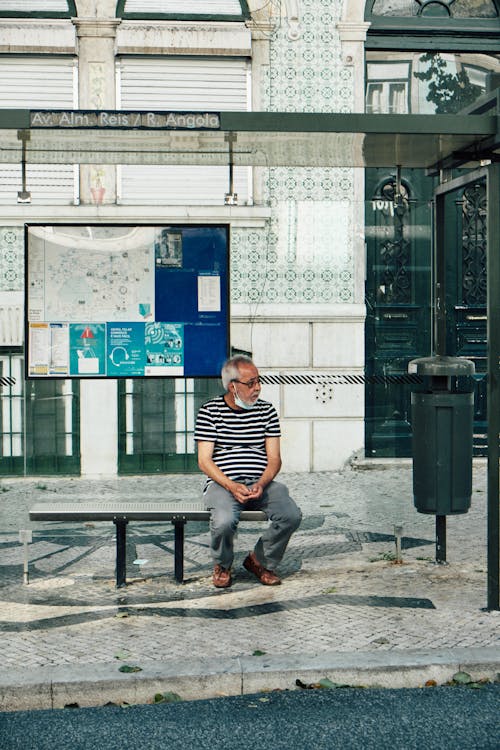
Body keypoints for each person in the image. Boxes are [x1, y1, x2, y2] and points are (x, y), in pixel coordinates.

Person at [194, 355, 302, 589]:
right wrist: (231, 485)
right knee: (223, 521)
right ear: (233, 386)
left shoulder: (267, 411)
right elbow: (204, 461)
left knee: (291, 514)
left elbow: (274, 458)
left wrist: (262, 483)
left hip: (260, 482)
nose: (258, 387)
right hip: (223, 484)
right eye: (250, 383)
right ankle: (222, 565)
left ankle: (259, 561)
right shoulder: (209, 411)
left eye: (258, 381)